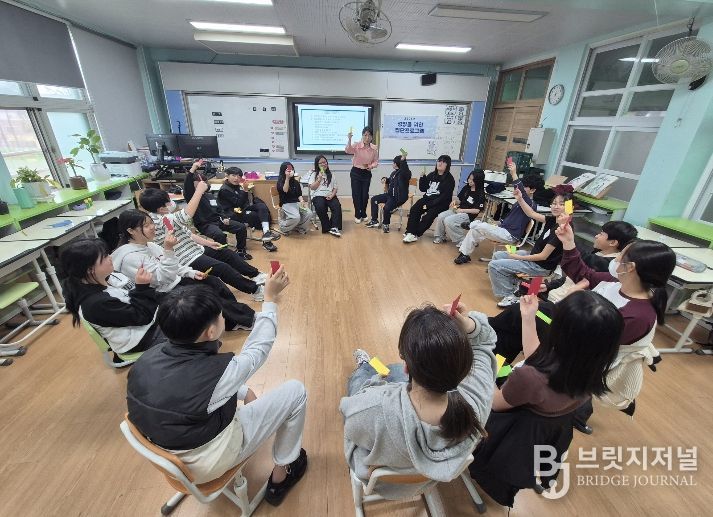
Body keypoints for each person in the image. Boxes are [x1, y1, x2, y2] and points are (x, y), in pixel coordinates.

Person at [126, 270, 309, 507]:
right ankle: (281, 476)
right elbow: (258, 348)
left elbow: (192, 391)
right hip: (206, 463)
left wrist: (243, 391)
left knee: (242, 389)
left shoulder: (146, 359)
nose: (223, 317)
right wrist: (270, 299)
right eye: (221, 315)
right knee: (296, 391)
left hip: (167, 457)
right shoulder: (220, 375)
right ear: (211, 332)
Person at [470, 291, 622, 507]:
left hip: (504, 429)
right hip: (542, 434)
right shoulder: (588, 372)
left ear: (559, 330)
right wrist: (528, 318)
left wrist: (484, 363)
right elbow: (537, 357)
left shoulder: (531, 378)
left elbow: (495, 402)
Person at [339, 301, 497, 499]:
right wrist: (469, 324)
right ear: (465, 368)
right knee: (393, 373)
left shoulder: (372, 408)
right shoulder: (477, 400)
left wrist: (376, 386)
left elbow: (350, 426)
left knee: (363, 378)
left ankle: (364, 366)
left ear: (408, 367)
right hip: (427, 481)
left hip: (385, 486)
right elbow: (484, 341)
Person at [112, 209, 255, 330]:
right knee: (206, 294)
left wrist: (191, 273)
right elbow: (162, 278)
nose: (152, 227)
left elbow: (176, 262)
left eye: (151, 223)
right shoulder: (130, 257)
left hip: (182, 269)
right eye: (146, 225)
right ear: (130, 230)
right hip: (161, 292)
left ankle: (233, 320)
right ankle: (243, 319)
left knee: (214, 282)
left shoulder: (150, 244)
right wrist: (169, 250)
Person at [139, 187, 267, 302]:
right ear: (161, 208)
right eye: (168, 202)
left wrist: (209, 243)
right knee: (223, 268)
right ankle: (255, 290)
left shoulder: (165, 217)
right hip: (186, 259)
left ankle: (256, 275)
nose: (171, 203)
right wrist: (199, 191)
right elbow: (186, 215)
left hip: (196, 250)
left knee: (227, 254)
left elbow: (187, 234)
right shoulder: (159, 220)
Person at [61, 238, 163, 357]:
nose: (110, 257)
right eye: (104, 257)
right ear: (90, 269)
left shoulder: (107, 279)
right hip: (142, 339)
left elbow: (129, 298)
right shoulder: (96, 303)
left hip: (146, 322)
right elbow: (142, 317)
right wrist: (142, 288)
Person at [485, 185, 571, 307]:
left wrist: (518, 257)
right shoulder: (553, 220)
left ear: (568, 207)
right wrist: (520, 198)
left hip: (540, 266)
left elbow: (542, 256)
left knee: (494, 265)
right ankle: (516, 285)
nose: (556, 206)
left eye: (561, 204)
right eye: (554, 203)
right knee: (498, 255)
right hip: (533, 257)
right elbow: (530, 213)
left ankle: (511, 295)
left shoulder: (562, 230)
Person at [454, 164, 544, 264]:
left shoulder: (530, 204)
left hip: (510, 235)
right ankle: (464, 255)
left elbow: (520, 189)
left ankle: (471, 224)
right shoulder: (520, 201)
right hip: (503, 230)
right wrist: (498, 222)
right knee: (476, 229)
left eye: (524, 187)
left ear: (533, 190)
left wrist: (514, 173)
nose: (520, 189)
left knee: (479, 225)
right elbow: (510, 218)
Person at [546, 221, 638, 302]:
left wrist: (569, 239)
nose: (596, 236)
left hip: (562, 302)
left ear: (613, 242)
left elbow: (582, 263)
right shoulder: (599, 253)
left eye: (601, 234)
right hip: (555, 294)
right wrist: (549, 286)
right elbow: (571, 277)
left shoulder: (608, 265)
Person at [183, 163, 252, 260]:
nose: (202, 183)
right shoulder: (192, 196)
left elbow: (220, 208)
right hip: (205, 224)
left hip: (219, 220)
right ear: (193, 184)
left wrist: (224, 217)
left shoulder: (209, 196)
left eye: (204, 181)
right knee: (220, 235)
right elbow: (187, 186)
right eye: (198, 182)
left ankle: (241, 251)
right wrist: (193, 169)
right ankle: (225, 256)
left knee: (241, 227)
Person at [217, 167, 280, 252]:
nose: (236, 178)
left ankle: (266, 233)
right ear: (227, 176)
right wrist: (245, 191)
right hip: (231, 214)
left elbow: (243, 202)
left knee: (261, 206)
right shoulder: (225, 190)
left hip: (240, 209)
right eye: (233, 175)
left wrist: (246, 193)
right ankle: (267, 241)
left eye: (239, 176)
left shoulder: (237, 186)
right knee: (256, 216)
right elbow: (238, 203)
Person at [402, 155, 456, 243]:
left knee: (429, 216)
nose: (440, 163)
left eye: (443, 162)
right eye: (439, 161)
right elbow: (423, 189)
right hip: (427, 199)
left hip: (440, 203)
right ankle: (410, 232)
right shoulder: (432, 175)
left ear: (447, 165)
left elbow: (444, 197)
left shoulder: (449, 179)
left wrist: (429, 205)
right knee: (415, 209)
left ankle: (415, 234)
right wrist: (422, 178)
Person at [432, 169, 486, 246]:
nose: (470, 181)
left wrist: (462, 210)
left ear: (478, 181)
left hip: (468, 215)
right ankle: (440, 236)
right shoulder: (466, 188)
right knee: (441, 216)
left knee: (448, 220)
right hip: (458, 210)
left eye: (472, 180)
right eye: (469, 178)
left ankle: (463, 240)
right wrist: (455, 202)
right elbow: (460, 201)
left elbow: (477, 210)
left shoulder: (480, 193)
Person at [365, 152, 411, 234]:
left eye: (393, 162)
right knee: (374, 199)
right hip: (389, 195)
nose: (392, 164)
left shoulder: (404, 174)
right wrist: (385, 179)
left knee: (386, 208)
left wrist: (403, 161)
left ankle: (386, 224)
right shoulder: (394, 173)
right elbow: (390, 180)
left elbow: (406, 171)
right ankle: (374, 220)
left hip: (397, 198)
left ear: (396, 164)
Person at [345, 126, 379, 223]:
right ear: (362, 135)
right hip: (356, 172)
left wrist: (371, 166)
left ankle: (363, 213)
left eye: (369, 135)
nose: (367, 138)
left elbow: (376, 161)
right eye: (365, 135)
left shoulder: (374, 148)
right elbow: (348, 150)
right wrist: (349, 139)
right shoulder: (357, 145)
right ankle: (357, 214)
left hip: (366, 173)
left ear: (372, 137)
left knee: (364, 195)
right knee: (356, 194)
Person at [304, 155, 343, 237]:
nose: (323, 164)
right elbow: (312, 187)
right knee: (320, 206)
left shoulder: (331, 174)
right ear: (317, 164)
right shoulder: (314, 174)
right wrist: (319, 179)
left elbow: (335, 188)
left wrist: (332, 195)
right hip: (317, 195)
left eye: (325, 162)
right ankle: (327, 227)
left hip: (329, 195)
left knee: (336, 206)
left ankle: (334, 227)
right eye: (321, 163)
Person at [276, 161, 314, 235]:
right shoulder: (280, 182)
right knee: (296, 217)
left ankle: (299, 227)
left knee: (309, 213)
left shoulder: (295, 182)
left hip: (297, 203)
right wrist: (287, 178)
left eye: (292, 169)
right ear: (283, 171)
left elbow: (299, 194)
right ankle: (283, 227)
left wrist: (302, 201)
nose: (291, 171)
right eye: (288, 170)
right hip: (286, 203)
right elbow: (285, 190)